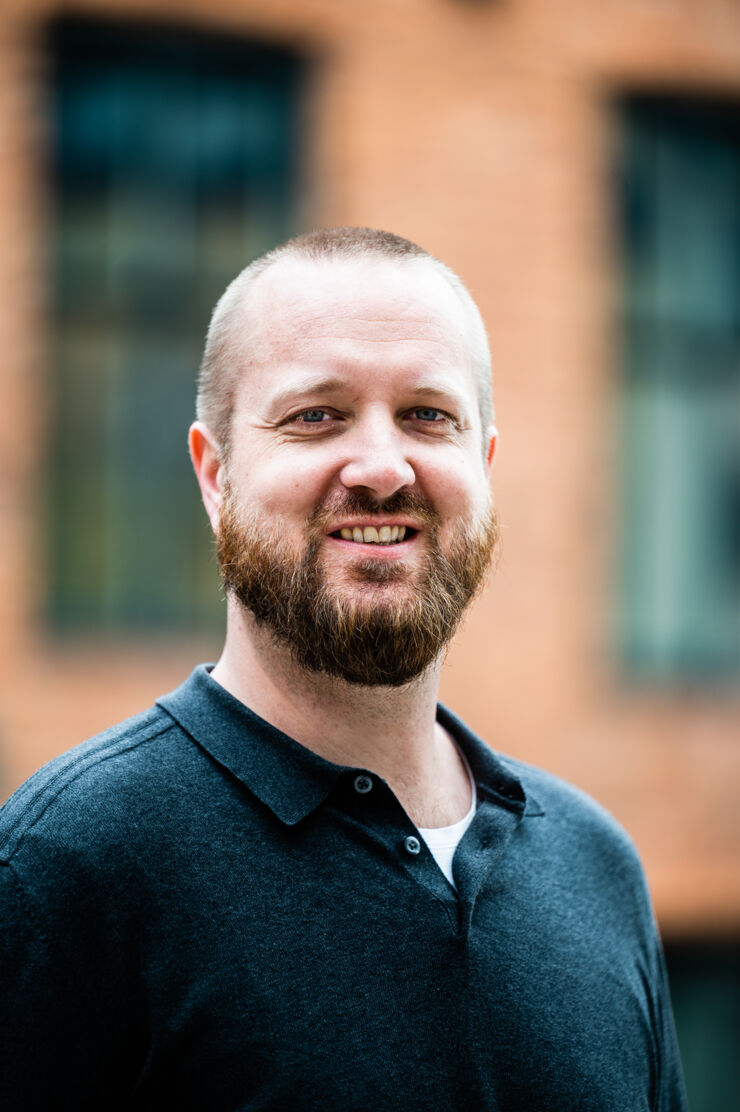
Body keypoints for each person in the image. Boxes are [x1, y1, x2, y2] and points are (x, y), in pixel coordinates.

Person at [0, 228, 686, 1111]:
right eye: (315, 415)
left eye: (428, 416)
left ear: (483, 466)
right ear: (216, 476)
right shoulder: (68, 869)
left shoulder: (595, 867)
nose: (381, 467)